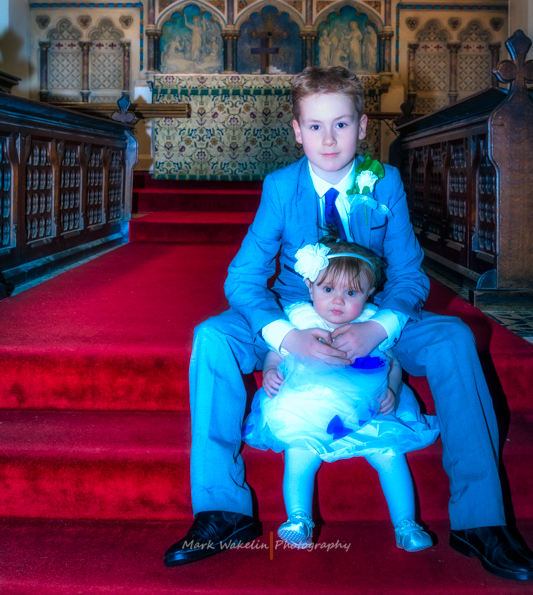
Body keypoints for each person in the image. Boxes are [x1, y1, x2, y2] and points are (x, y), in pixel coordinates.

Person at [164, 66, 533, 581]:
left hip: (372, 310)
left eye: (341, 124)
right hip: (296, 311)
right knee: (212, 338)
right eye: (314, 126)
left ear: (362, 126)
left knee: (453, 337)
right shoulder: (280, 187)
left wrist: (377, 328)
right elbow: (243, 279)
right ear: (296, 131)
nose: (328, 138)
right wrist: (287, 336)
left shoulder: (385, 183)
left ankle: (480, 521)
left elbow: (408, 276)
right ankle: (222, 510)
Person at [243, 235, 439, 551]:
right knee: (299, 450)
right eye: (328, 290)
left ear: (369, 293)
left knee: (388, 452)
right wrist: (270, 370)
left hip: (365, 410)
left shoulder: (372, 323)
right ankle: (299, 519)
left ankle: (406, 524)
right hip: (306, 408)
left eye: (351, 293)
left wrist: (391, 387)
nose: (338, 301)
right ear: (311, 288)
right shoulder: (299, 319)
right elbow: (276, 352)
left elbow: (392, 363)